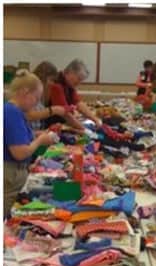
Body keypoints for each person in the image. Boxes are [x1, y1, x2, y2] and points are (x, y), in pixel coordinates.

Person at [4, 70, 57, 215]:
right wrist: (40, 140)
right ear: (25, 92)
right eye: (36, 98)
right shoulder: (12, 113)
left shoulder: (13, 111)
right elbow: (20, 153)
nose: (37, 103)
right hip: (11, 175)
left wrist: (34, 134)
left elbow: (14, 137)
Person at [46, 59, 102, 131]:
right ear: (70, 72)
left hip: (61, 123)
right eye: (79, 79)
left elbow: (79, 103)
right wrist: (84, 129)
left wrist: (95, 119)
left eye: (81, 80)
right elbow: (65, 114)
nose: (79, 83)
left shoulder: (69, 84)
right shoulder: (57, 85)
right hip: (51, 126)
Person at [26, 61, 66, 131]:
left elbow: (39, 117)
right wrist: (53, 110)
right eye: (51, 80)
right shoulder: (30, 89)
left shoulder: (41, 92)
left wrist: (50, 129)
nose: (52, 83)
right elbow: (29, 116)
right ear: (44, 76)